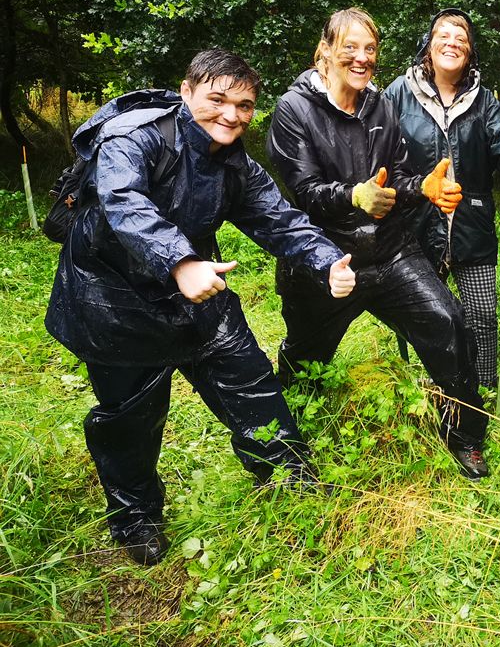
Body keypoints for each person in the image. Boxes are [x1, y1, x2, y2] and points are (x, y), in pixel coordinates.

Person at [44, 49, 357, 566]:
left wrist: (327, 262)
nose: (231, 116)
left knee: (252, 382)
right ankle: (136, 517)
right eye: (217, 100)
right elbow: (124, 201)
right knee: (131, 419)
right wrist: (180, 261)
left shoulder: (235, 162)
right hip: (114, 300)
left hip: (200, 295)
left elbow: (278, 219)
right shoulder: (134, 136)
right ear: (187, 92)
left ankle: (288, 479)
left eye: (245, 105)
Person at [266, 8, 491, 480]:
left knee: (448, 320)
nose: (362, 58)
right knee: (306, 355)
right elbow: (303, 191)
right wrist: (353, 195)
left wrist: (422, 189)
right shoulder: (294, 109)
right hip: (326, 258)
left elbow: (401, 177)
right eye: (350, 47)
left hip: (390, 251)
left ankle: (465, 435)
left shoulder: (380, 105)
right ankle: (284, 425)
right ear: (326, 50)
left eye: (370, 49)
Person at [383, 8, 500, 389]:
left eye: (461, 39)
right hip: (415, 225)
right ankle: (433, 388)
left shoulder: (483, 101)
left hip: (472, 226)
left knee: (482, 314)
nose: (452, 43)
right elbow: (377, 150)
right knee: (425, 315)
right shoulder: (398, 94)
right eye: (443, 37)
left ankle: (481, 391)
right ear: (428, 48)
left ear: (469, 54)